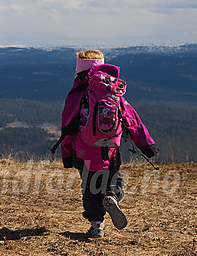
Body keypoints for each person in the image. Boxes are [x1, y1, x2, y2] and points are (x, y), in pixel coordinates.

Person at [59, 49, 158, 239]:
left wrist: (67, 155)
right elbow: (132, 119)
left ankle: (97, 226)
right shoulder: (113, 92)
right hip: (110, 150)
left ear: (78, 68)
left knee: (89, 187)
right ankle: (112, 196)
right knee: (114, 180)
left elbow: (67, 126)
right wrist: (147, 146)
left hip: (84, 151)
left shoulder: (78, 92)